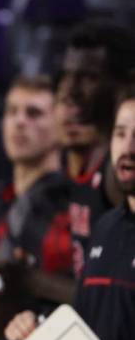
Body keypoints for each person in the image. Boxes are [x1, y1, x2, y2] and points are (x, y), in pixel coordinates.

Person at [5, 94, 135, 340]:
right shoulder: (105, 227)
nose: (128, 148)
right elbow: (91, 324)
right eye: (120, 133)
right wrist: (39, 330)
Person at [0, 76, 74, 340]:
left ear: (61, 125)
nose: (19, 122)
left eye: (34, 113)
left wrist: (31, 282)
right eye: (12, 111)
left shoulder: (74, 208)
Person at [56, 21, 135, 272]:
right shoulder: (81, 152)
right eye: (68, 75)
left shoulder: (119, 169)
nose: (71, 90)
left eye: (88, 77)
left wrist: (34, 281)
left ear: (125, 82)